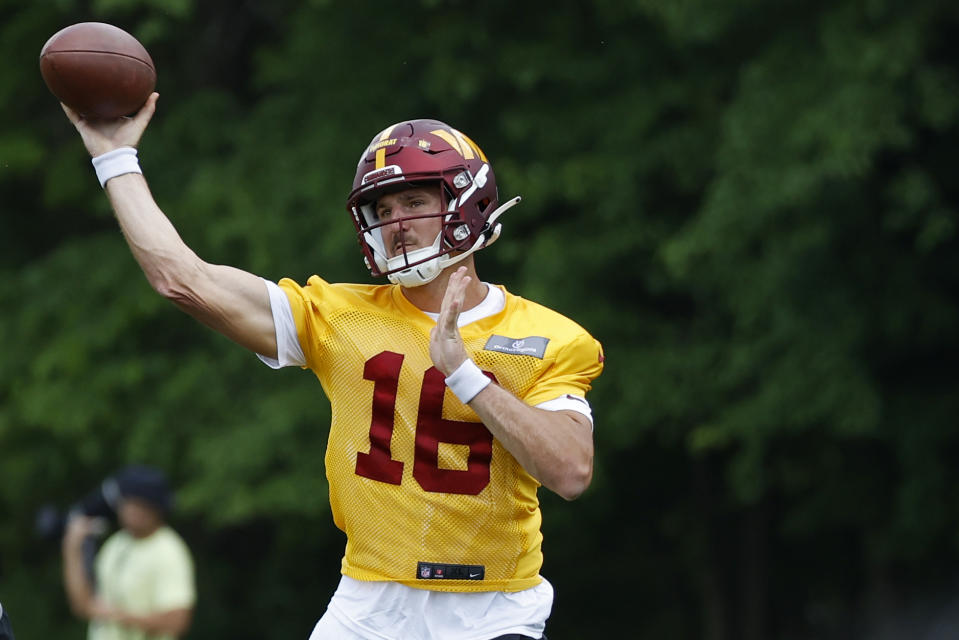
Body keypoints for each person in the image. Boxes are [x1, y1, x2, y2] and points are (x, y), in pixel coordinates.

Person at [62, 93, 604, 640]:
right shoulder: (339, 316)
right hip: (370, 601)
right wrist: (113, 159)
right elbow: (184, 279)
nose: (395, 224)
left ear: (465, 203)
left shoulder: (549, 337)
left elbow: (570, 473)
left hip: (491, 607)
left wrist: (463, 373)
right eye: (383, 211)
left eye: (412, 202)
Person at [62, 465, 196, 640]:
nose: (130, 510)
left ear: (155, 508)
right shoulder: (115, 544)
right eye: (127, 502)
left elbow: (178, 621)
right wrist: (72, 548)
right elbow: (83, 607)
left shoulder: (169, 551)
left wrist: (119, 616)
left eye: (138, 504)